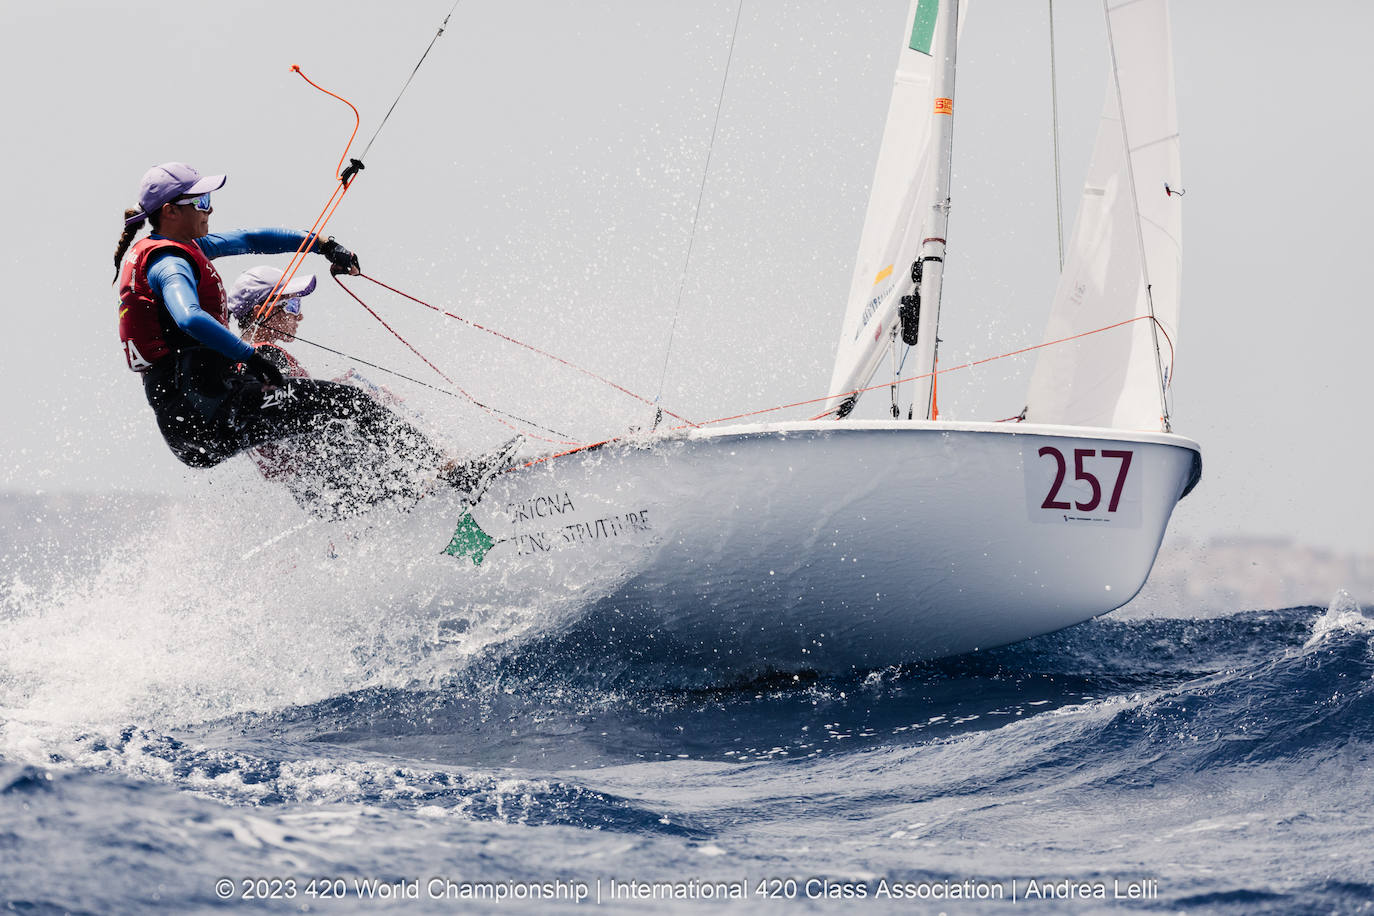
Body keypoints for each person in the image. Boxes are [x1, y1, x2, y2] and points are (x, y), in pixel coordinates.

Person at [113, 161, 481, 517]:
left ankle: (374, 495)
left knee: (324, 410)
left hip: (193, 419)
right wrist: (252, 357)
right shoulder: (168, 263)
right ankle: (450, 473)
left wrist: (323, 245)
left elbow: (253, 238)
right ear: (169, 212)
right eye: (201, 202)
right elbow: (189, 316)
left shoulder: (184, 248)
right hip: (210, 413)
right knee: (350, 402)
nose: (210, 209)